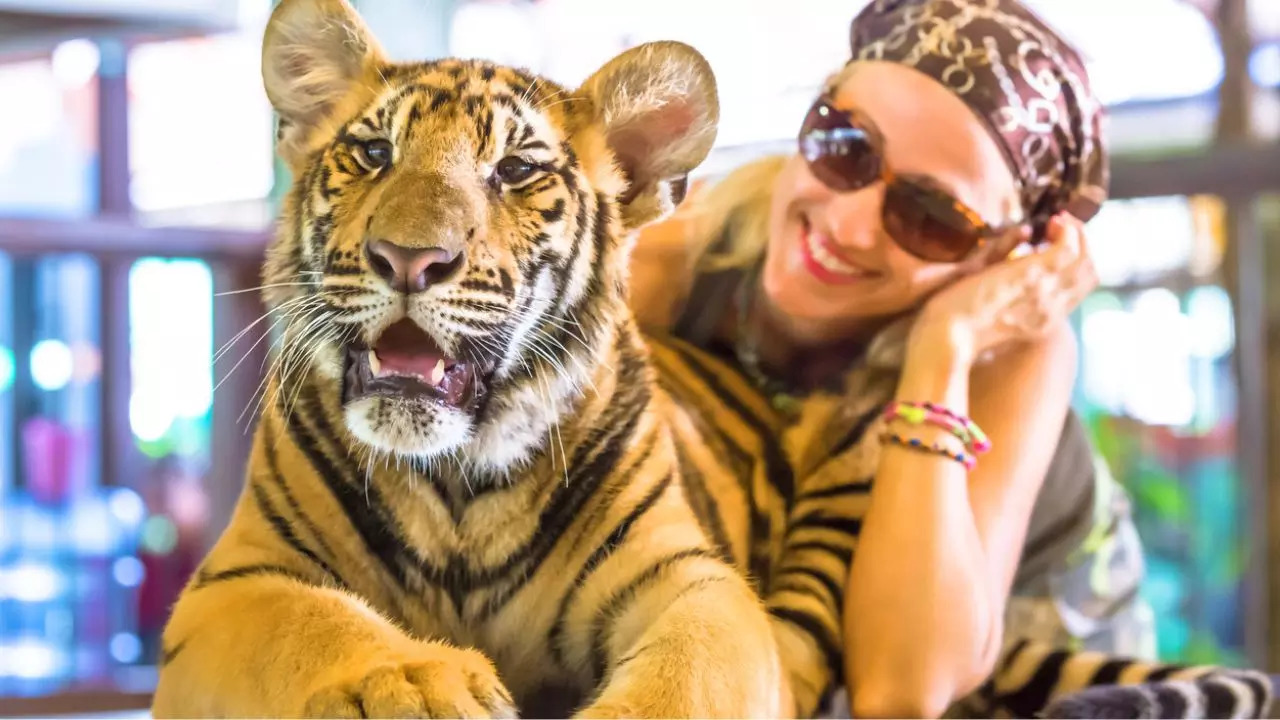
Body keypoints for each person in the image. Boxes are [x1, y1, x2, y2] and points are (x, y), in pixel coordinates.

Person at [629, 0, 1156, 716]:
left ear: (1003, 254)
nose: (848, 226)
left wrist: (944, 349)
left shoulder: (1014, 351)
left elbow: (901, 690)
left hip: (1038, 655)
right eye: (845, 145)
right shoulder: (673, 259)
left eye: (932, 217)